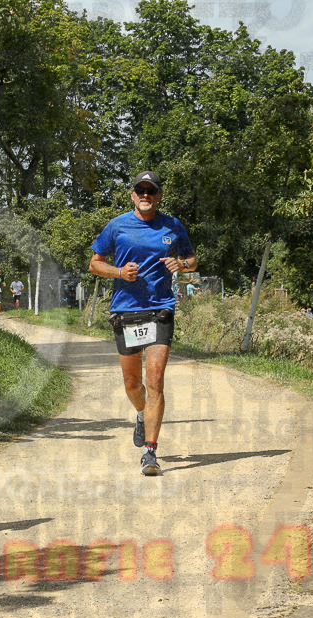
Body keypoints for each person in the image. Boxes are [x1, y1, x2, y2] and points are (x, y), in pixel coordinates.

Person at [88, 170, 196, 476]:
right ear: (132, 194)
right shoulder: (117, 225)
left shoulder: (173, 225)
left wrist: (181, 264)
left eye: (152, 190)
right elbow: (94, 264)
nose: (146, 195)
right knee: (133, 385)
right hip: (126, 311)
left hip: (160, 309)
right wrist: (120, 273)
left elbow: (192, 259)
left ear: (159, 195)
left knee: (155, 380)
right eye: (140, 190)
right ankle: (140, 413)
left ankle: (150, 452)